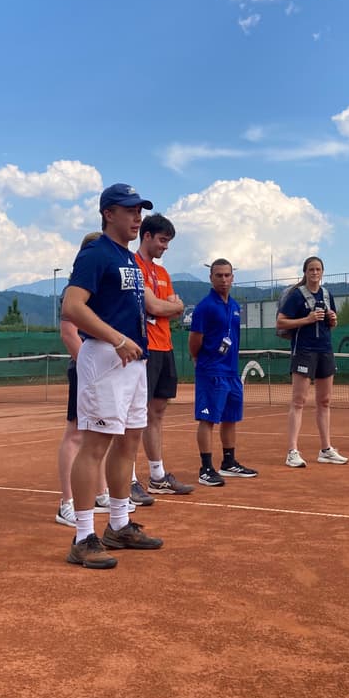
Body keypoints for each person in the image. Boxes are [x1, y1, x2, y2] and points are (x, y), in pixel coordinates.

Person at [61, 183, 164, 569]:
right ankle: (83, 536)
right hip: (106, 357)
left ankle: (118, 525)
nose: (138, 217)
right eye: (130, 210)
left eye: (140, 210)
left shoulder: (128, 258)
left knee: (129, 443)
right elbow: (73, 306)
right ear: (109, 214)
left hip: (134, 360)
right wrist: (116, 338)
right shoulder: (96, 253)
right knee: (94, 445)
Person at [134, 213, 194, 497]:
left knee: (157, 413)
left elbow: (173, 307)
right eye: (162, 240)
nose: (165, 246)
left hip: (165, 347)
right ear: (146, 236)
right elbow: (154, 307)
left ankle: (157, 476)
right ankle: (128, 478)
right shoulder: (133, 266)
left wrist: (166, 306)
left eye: (168, 241)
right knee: (135, 415)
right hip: (142, 350)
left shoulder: (162, 273)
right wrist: (166, 306)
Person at [55, 234, 113, 527]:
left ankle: (100, 492)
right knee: (75, 434)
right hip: (85, 371)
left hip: (104, 371)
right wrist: (90, 368)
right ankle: (66, 503)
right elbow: (69, 334)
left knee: (100, 433)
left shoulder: (104, 289)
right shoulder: (73, 290)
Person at [189, 259, 258, 486]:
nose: (224, 279)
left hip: (231, 372)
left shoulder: (236, 306)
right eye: (219, 275)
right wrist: (201, 361)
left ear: (233, 277)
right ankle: (205, 468)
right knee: (208, 419)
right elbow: (194, 341)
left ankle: (228, 462)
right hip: (211, 371)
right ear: (211, 278)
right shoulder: (204, 307)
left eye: (227, 275)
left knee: (230, 418)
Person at [277, 256, 347, 467]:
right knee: (298, 402)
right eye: (311, 270)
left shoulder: (327, 294)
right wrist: (306, 319)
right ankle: (292, 451)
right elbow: (281, 321)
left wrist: (333, 320)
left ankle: (326, 449)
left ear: (322, 272)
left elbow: (330, 324)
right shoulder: (297, 295)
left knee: (324, 401)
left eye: (318, 269)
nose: (315, 273)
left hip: (325, 349)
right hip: (304, 351)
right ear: (305, 273)